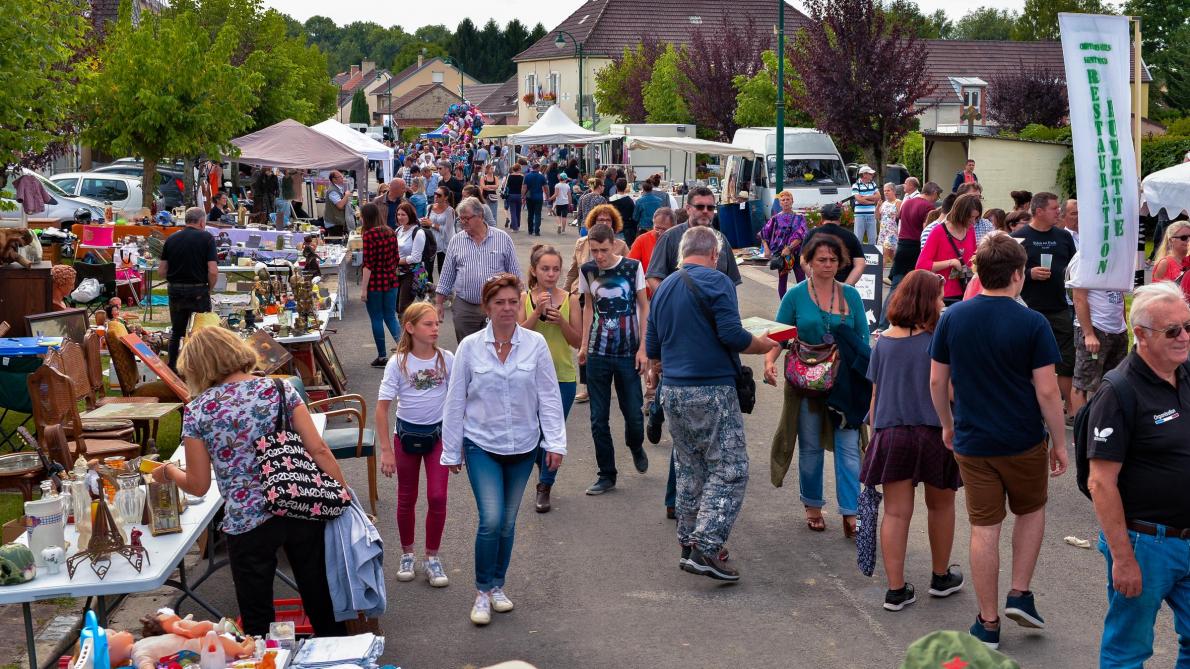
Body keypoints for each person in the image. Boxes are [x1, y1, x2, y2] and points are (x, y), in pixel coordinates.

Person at [153, 327, 347, 637]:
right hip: (299, 504)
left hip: (246, 522)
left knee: (257, 620)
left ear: (196, 367)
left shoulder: (198, 411)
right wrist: (342, 493)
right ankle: (339, 655)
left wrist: (167, 472)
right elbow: (319, 449)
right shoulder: (280, 390)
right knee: (322, 602)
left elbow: (199, 485)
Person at [929, 233, 1068, 650]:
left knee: (984, 527)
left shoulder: (953, 317)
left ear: (977, 271)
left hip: (973, 440)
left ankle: (987, 623)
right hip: (1023, 438)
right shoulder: (1033, 322)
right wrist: (1060, 443)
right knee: (1030, 510)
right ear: (1018, 274)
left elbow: (938, 379)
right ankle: (1020, 592)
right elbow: (1047, 391)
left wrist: (947, 423)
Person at [647, 225, 778, 581]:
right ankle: (707, 545)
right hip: (712, 389)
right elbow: (732, 336)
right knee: (731, 467)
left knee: (690, 468)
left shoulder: (664, 286)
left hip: (673, 390)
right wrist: (764, 343)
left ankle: (689, 544)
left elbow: (653, 347)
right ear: (714, 255)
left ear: (682, 252)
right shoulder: (717, 281)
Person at [441, 274, 566, 626]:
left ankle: (498, 585)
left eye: (513, 302)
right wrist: (452, 450)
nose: (507, 309)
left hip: (524, 446)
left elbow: (549, 397)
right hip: (482, 443)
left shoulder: (536, 344)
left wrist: (554, 442)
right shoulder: (469, 347)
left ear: (521, 303)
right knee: (492, 519)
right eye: (500, 303)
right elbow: (455, 401)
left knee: (508, 524)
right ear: (487, 307)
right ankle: (482, 591)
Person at [1085, 281, 1190, 667]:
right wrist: (1123, 558)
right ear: (1141, 335)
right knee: (1128, 651)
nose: (1184, 336)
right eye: (1173, 330)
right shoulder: (1119, 391)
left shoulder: (1186, 373)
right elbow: (1101, 482)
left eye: (1188, 326)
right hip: (1146, 545)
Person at [861, 270, 964, 611]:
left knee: (896, 513)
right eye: (938, 297)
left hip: (892, 434)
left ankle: (895, 589)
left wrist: (874, 437)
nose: (942, 302)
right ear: (926, 302)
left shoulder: (884, 342)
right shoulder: (938, 341)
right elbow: (949, 390)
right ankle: (939, 576)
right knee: (941, 505)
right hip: (936, 431)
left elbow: (876, 397)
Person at [766, 234, 871, 537]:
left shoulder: (850, 294)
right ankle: (813, 505)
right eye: (821, 259)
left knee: (849, 448)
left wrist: (872, 377)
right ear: (808, 262)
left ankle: (851, 513)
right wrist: (770, 360)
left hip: (845, 384)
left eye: (833, 260)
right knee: (810, 447)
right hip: (805, 383)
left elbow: (863, 339)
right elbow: (780, 333)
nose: (828, 265)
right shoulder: (795, 295)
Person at [376, 303, 454, 588]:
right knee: (406, 497)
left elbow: (459, 403)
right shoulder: (398, 362)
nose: (435, 329)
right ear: (410, 327)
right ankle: (407, 553)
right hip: (406, 436)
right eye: (428, 324)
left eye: (437, 324)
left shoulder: (447, 359)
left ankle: (432, 557)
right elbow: (382, 409)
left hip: (438, 438)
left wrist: (457, 444)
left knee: (437, 496)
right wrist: (386, 450)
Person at [578, 223, 650, 496]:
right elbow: (588, 308)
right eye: (594, 250)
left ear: (614, 244)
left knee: (633, 414)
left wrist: (643, 347)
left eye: (604, 250)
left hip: (628, 353)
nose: (599, 256)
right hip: (598, 352)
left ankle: (635, 444)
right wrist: (584, 345)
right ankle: (606, 474)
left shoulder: (632, 268)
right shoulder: (588, 271)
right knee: (598, 418)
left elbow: (644, 307)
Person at [518, 245, 582, 513]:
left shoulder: (571, 299)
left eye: (556, 269)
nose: (551, 274)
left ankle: (545, 486)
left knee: (553, 433)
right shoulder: (522, 298)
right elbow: (516, 336)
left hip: (562, 376)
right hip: (528, 377)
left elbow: (577, 341)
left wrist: (561, 322)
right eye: (545, 268)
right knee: (533, 434)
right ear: (534, 270)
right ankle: (540, 459)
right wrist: (536, 312)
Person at [1012, 192, 1078, 417]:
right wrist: (1029, 273)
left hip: (1060, 306)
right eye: (1054, 208)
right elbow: (1010, 272)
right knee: (1027, 359)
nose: (1058, 212)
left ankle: (1068, 407)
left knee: (1067, 358)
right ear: (1039, 211)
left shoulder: (1064, 237)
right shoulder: (1019, 237)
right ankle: (1032, 406)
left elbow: (1074, 267)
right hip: (1028, 308)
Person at [435, 197, 522, 342]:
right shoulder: (456, 241)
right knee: (467, 349)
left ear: (480, 216)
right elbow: (446, 275)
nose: (462, 222)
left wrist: (516, 304)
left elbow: (515, 276)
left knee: (495, 347)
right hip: (465, 308)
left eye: (466, 218)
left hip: (496, 307)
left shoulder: (503, 239)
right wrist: (438, 303)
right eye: (460, 219)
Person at [646, 186, 742, 291]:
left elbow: (732, 282)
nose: (705, 211)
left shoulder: (721, 240)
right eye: (700, 207)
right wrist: (671, 302)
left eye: (710, 207)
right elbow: (653, 277)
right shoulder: (670, 238)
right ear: (688, 209)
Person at [160, 207, 217, 370]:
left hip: (176, 290)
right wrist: (209, 288)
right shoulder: (206, 238)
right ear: (201, 222)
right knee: (202, 332)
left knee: (177, 332)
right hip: (198, 290)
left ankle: (173, 368)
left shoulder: (171, 239)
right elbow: (213, 271)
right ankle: (201, 368)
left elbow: (162, 270)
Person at [917, 193, 981, 306]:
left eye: (976, 217)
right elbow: (921, 265)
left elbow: (972, 257)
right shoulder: (938, 231)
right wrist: (951, 262)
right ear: (960, 214)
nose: (973, 222)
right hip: (944, 295)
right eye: (970, 217)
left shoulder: (970, 230)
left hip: (967, 291)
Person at [359, 203, 401, 367]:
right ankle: (403, 349)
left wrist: (363, 290)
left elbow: (368, 265)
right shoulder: (390, 231)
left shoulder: (368, 235)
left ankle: (382, 356)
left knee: (376, 318)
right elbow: (397, 258)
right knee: (390, 316)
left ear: (366, 217)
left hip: (375, 282)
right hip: (391, 280)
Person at [888, 181, 943, 297]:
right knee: (914, 289)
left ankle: (886, 314)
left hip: (902, 246)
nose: (936, 199)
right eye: (937, 196)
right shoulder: (928, 207)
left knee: (895, 288)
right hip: (916, 248)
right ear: (933, 193)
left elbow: (898, 219)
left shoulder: (907, 203)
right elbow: (927, 227)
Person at [801, 203, 866, 285]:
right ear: (840, 218)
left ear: (821, 218)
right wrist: (846, 286)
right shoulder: (850, 236)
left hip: (818, 288)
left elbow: (803, 261)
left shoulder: (811, 234)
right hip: (843, 285)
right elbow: (860, 264)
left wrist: (816, 281)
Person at [759, 190, 808, 297]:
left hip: (797, 253)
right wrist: (766, 248)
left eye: (787, 199)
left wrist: (789, 248)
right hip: (782, 255)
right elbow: (763, 233)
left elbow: (801, 235)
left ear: (792, 201)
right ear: (780, 203)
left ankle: (803, 304)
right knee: (782, 281)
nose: (785, 202)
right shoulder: (775, 219)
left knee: (801, 281)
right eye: (783, 200)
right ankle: (784, 305)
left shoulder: (800, 217)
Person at [394, 201, 428, 316]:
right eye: (398, 214)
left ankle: (407, 332)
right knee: (397, 307)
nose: (400, 217)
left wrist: (395, 261)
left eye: (403, 214)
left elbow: (416, 258)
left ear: (410, 215)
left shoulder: (418, 232)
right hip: (398, 272)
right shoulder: (398, 230)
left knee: (404, 308)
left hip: (412, 273)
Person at [628, 207, 676, 279]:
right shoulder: (641, 240)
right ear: (653, 224)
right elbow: (630, 267)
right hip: (646, 287)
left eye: (664, 229)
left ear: (674, 227)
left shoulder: (680, 240)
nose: (660, 233)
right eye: (657, 228)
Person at [424, 186, 456, 283]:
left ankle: (443, 294)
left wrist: (432, 224)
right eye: (435, 194)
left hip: (444, 244)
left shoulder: (450, 211)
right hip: (431, 243)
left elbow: (447, 231)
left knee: (442, 271)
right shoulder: (429, 207)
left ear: (446, 197)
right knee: (427, 270)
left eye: (439, 195)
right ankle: (429, 293)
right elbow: (427, 221)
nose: (436, 196)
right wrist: (424, 222)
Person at [851, 165, 880, 244]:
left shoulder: (873, 184)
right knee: (858, 239)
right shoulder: (855, 185)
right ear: (864, 175)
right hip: (860, 216)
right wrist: (872, 201)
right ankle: (858, 256)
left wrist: (865, 197)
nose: (872, 175)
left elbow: (878, 197)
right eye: (870, 174)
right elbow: (859, 200)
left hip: (872, 215)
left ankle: (873, 255)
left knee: (873, 239)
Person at [878, 182, 901, 266]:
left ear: (894, 191)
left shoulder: (898, 202)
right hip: (882, 232)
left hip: (891, 233)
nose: (886, 192)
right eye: (884, 191)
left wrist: (894, 214)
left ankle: (879, 277)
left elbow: (900, 216)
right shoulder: (884, 203)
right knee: (892, 256)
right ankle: (898, 273)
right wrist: (877, 207)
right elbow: (878, 216)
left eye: (888, 190)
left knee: (883, 255)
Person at [522, 163, 549, 236]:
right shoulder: (541, 177)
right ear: (538, 168)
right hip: (539, 197)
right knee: (538, 214)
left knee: (530, 214)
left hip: (529, 197)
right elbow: (546, 187)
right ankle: (537, 230)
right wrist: (547, 196)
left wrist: (523, 196)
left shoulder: (527, 176)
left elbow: (524, 187)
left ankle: (530, 230)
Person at [609, 177, 637, 246]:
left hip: (614, 228)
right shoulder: (629, 201)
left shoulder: (609, 200)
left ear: (616, 186)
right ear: (625, 187)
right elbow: (634, 216)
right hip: (627, 229)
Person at [503, 163, 525, 231]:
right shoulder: (522, 177)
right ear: (519, 169)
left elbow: (506, 186)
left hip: (511, 195)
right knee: (518, 211)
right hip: (519, 195)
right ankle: (517, 225)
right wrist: (523, 196)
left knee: (513, 211)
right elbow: (523, 187)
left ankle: (514, 227)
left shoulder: (509, 176)